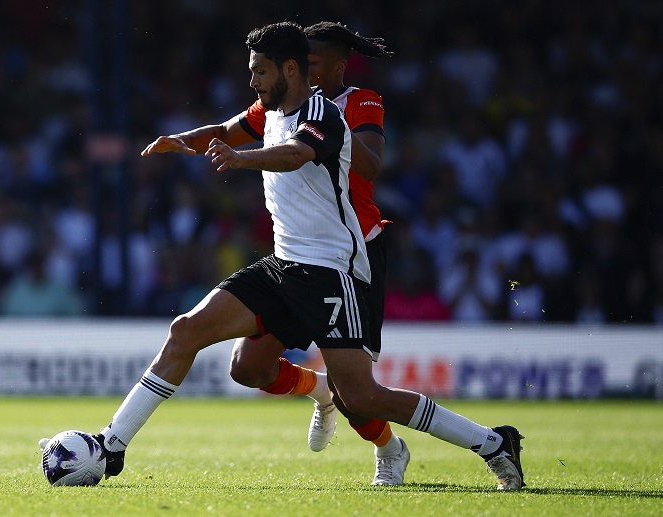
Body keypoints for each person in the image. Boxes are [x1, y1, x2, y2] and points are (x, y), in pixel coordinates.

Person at [91, 22, 525, 491]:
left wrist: (241, 159)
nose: (252, 82)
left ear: (289, 69)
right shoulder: (271, 109)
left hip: (329, 270)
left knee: (361, 397)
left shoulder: (324, 114)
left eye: (259, 72)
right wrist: (181, 141)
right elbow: (225, 130)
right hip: (282, 264)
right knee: (207, 344)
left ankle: (492, 443)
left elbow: (296, 154)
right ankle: (110, 447)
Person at [227, 22, 410, 485]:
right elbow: (233, 130)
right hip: (301, 254)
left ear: (337, 67)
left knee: (359, 395)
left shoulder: (357, 102)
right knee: (249, 367)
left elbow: (370, 162)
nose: (302, 70)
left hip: (355, 251)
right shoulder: (283, 107)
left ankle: (390, 450)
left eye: (311, 64)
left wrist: (327, 131)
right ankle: (320, 391)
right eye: (299, 64)